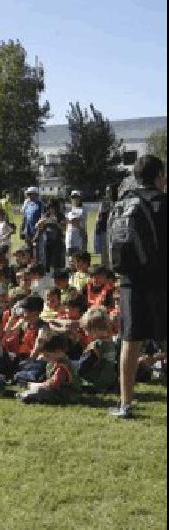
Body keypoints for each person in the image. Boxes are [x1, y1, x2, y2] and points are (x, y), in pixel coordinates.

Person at [110, 155, 167, 419]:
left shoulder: (123, 203)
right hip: (159, 279)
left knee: (130, 342)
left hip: (129, 281)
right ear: (159, 176)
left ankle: (126, 403)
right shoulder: (162, 203)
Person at [95, 185, 115, 268]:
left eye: (109, 191)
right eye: (107, 191)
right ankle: (103, 268)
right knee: (103, 250)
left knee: (111, 250)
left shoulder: (115, 201)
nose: (108, 192)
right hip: (104, 229)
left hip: (112, 230)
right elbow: (99, 215)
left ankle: (110, 268)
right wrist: (97, 223)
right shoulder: (103, 202)